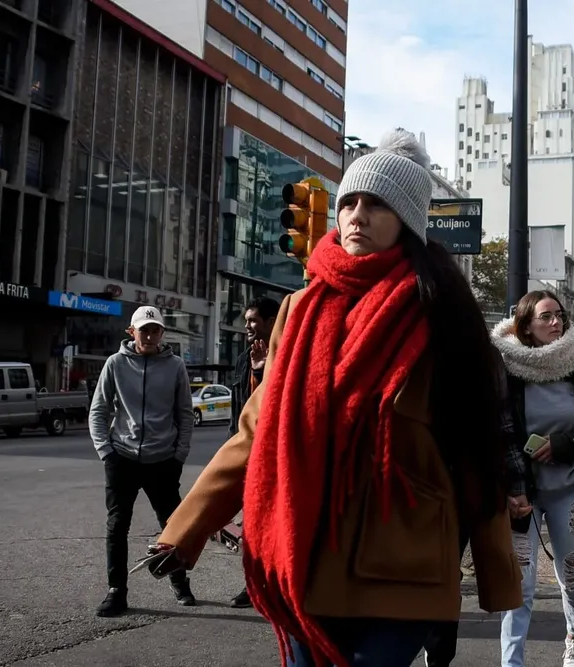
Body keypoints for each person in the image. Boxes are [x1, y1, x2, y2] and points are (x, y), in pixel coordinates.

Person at [141, 129, 522, 666]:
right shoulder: (299, 310)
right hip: (306, 555)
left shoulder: (442, 314)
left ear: (409, 222)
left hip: (404, 566)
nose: (356, 216)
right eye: (348, 203)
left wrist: (494, 575)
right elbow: (258, 432)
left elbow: (473, 450)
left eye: (376, 205)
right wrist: (183, 532)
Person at [493, 290, 574, 667]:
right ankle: (511, 661)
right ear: (526, 327)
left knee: (572, 574)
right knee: (521, 583)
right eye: (546, 317)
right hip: (522, 497)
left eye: (559, 316)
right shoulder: (506, 370)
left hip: (570, 491)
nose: (556, 323)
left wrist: (566, 445)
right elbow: (495, 431)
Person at [88, 305, 196, 617]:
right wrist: (105, 452)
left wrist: (179, 455)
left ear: (163, 333)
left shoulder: (175, 366)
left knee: (172, 526)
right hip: (122, 457)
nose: (149, 335)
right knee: (117, 526)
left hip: (163, 459)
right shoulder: (115, 364)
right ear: (131, 331)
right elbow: (99, 411)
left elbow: (185, 415)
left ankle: (179, 580)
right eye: (144, 329)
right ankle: (116, 591)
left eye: (155, 330)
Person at [227, 296, 280, 609]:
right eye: (246, 321)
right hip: (249, 456)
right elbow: (241, 410)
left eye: (253, 321)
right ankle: (253, 587)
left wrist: (262, 372)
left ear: (271, 321)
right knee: (252, 529)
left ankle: (278, 586)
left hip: (276, 458)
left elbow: (272, 404)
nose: (247, 327)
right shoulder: (243, 358)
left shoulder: (287, 351)